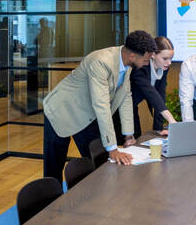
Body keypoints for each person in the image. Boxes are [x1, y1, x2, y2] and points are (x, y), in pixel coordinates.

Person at [43, 30, 157, 184]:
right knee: (54, 167)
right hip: (62, 110)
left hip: (87, 113)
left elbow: (126, 98)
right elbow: (101, 105)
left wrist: (128, 136)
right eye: (146, 59)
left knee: (98, 161)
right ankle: (49, 204)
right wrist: (112, 148)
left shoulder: (128, 63)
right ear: (132, 56)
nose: (147, 63)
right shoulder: (101, 62)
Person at [114, 36, 178, 141]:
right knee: (125, 141)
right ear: (153, 55)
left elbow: (160, 94)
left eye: (171, 58)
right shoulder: (140, 66)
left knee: (137, 138)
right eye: (165, 58)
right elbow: (151, 93)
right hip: (119, 108)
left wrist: (158, 128)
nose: (169, 63)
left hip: (133, 106)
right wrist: (171, 119)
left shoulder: (164, 67)